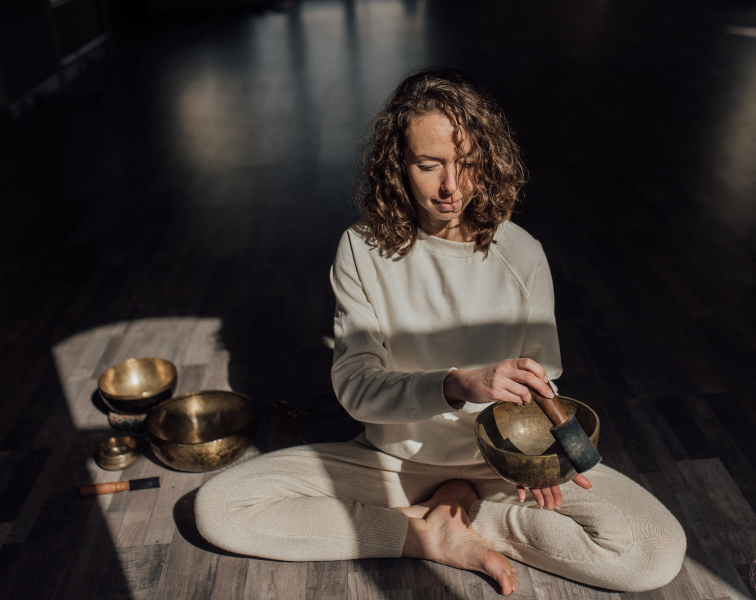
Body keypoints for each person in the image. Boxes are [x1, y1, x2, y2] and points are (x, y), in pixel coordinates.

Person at [195, 69, 686, 595]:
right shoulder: (362, 250)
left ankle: (462, 515)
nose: (452, 187)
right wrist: (455, 385)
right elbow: (356, 389)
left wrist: (548, 459)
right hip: (394, 465)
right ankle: (424, 534)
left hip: (499, 469)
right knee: (220, 507)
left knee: (653, 550)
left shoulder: (522, 254)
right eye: (429, 166)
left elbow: (543, 387)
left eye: (467, 164)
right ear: (397, 166)